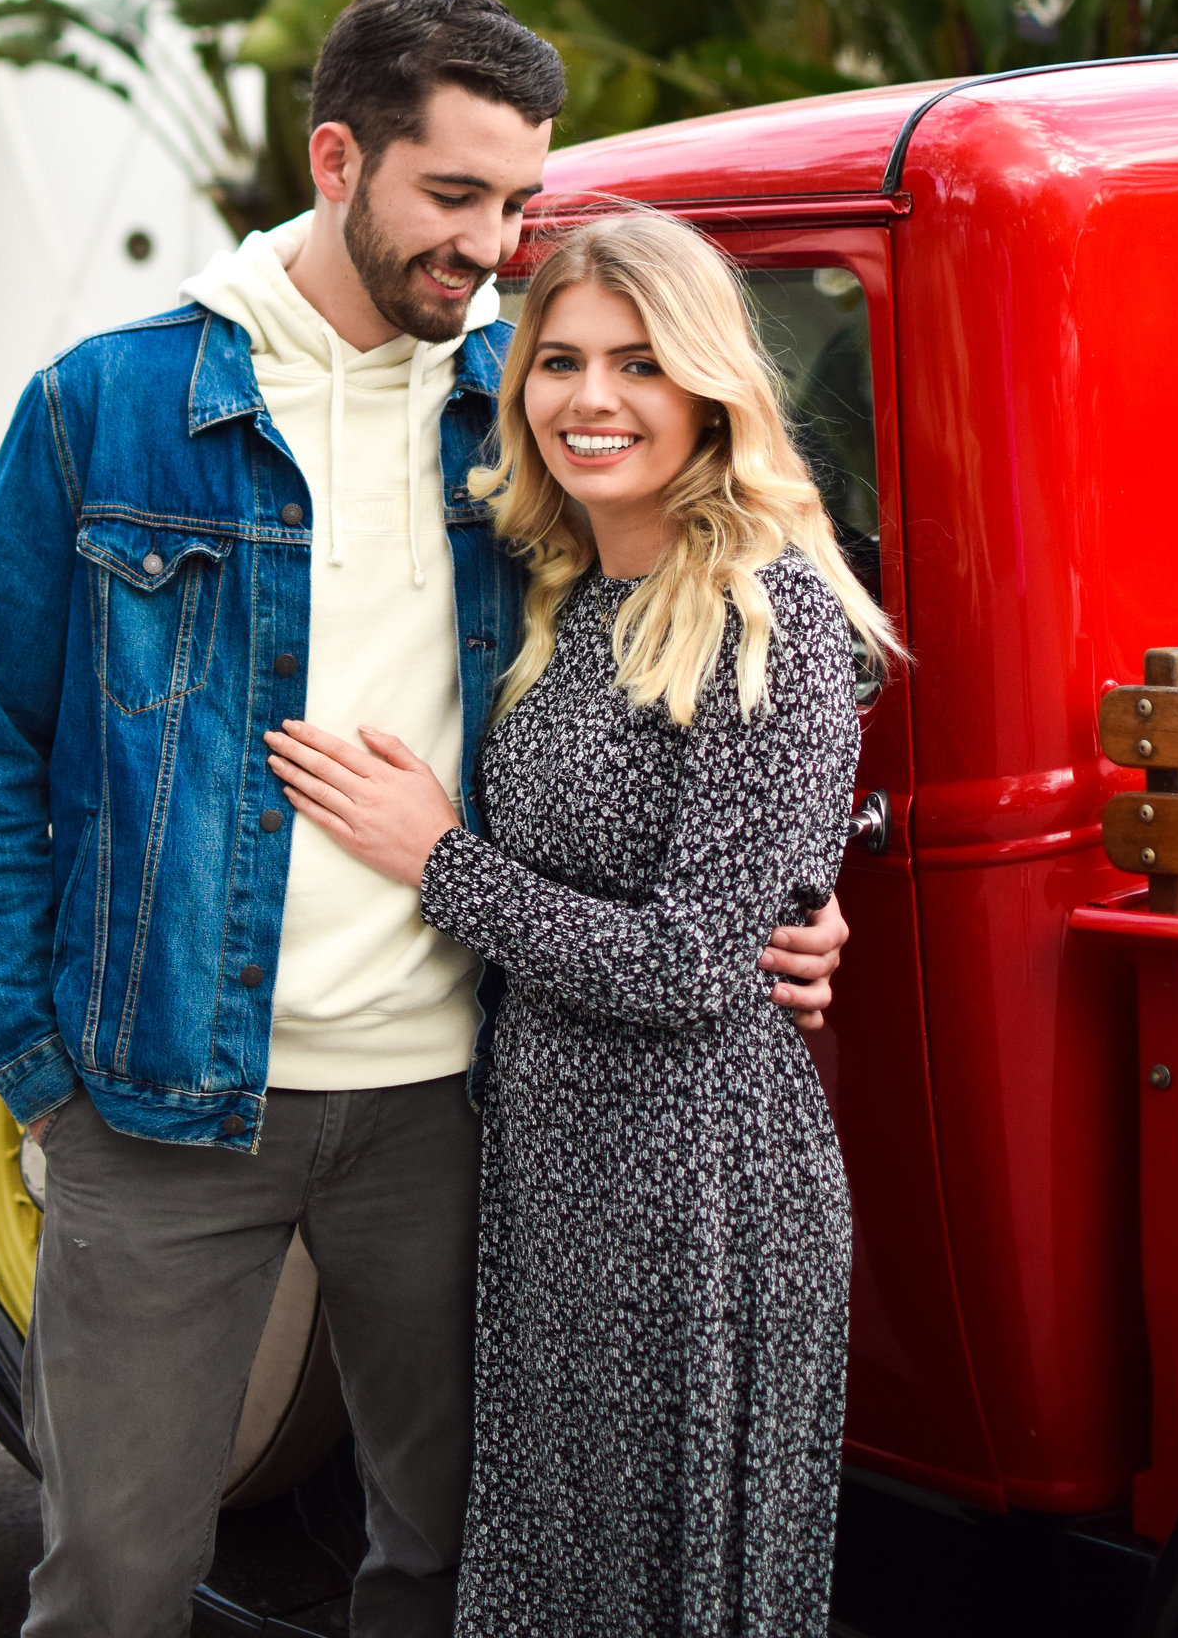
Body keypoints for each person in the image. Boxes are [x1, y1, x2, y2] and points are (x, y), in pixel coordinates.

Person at [0, 0, 850, 1638]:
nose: (495, 246)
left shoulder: (518, 407)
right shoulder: (107, 404)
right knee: (114, 1578)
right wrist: (40, 1069)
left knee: (439, 1562)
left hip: (459, 1100)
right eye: (457, 196)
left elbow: (684, 684)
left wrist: (786, 899)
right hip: (162, 1103)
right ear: (339, 157)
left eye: (519, 202)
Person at [268, 211, 895, 1638]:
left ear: (708, 390)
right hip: (552, 1165)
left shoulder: (771, 611)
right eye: (559, 362)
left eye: (639, 364)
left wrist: (437, 858)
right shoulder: (570, 595)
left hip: (697, 1188)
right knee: (554, 1581)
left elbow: (689, 965)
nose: (593, 399)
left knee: (652, 1596)